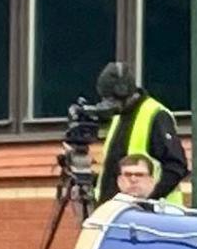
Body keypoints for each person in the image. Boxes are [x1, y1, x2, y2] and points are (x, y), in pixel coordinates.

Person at [75, 62, 190, 200]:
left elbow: (176, 166)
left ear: (124, 93)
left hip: (152, 216)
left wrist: (148, 200)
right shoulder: (119, 117)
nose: (110, 105)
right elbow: (115, 170)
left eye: (112, 99)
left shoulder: (154, 114)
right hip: (119, 213)